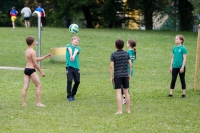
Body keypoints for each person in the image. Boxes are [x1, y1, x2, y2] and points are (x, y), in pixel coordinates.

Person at [22, 36, 52, 107]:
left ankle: (23, 103)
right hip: (31, 70)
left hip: (26, 69)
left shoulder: (27, 51)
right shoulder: (33, 51)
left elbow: (35, 59)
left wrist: (45, 56)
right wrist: (41, 71)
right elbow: (35, 63)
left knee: (25, 86)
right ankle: (38, 103)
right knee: (38, 85)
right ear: (33, 42)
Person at [110, 39, 132, 114]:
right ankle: (128, 110)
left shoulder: (113, 54)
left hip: (117, 75)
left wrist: (111, 77)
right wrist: (129, 73)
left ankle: (120, 111)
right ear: (123, 46)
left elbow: (111, 67)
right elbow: (130, 64)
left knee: (118, 92)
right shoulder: (126, 53)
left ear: (115, 46)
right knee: (126, 93)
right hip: (125, 75)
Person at [66, 36, 81, 101]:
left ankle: (73, 94)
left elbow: (76, 52)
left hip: (76, 67)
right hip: (69, 67)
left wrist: (73, 56)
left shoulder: (78, 48)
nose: (76, 41)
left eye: (77, 40)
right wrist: (71, 55)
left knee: (77, 81)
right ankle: (69, 95)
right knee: (69, 80)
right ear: (72, 41)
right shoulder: (68, 45)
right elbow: (69, 50)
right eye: (75, 39)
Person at [121, 39, 136, 104]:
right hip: (130, 70)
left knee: (122, 85)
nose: (126, 44)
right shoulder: (133, 52)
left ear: (129, 44)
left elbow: (127, 63)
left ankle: (126, 99)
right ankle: (126, 99)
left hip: (126, 70)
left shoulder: (128, 52)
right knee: (125, 85)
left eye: (127, 43)